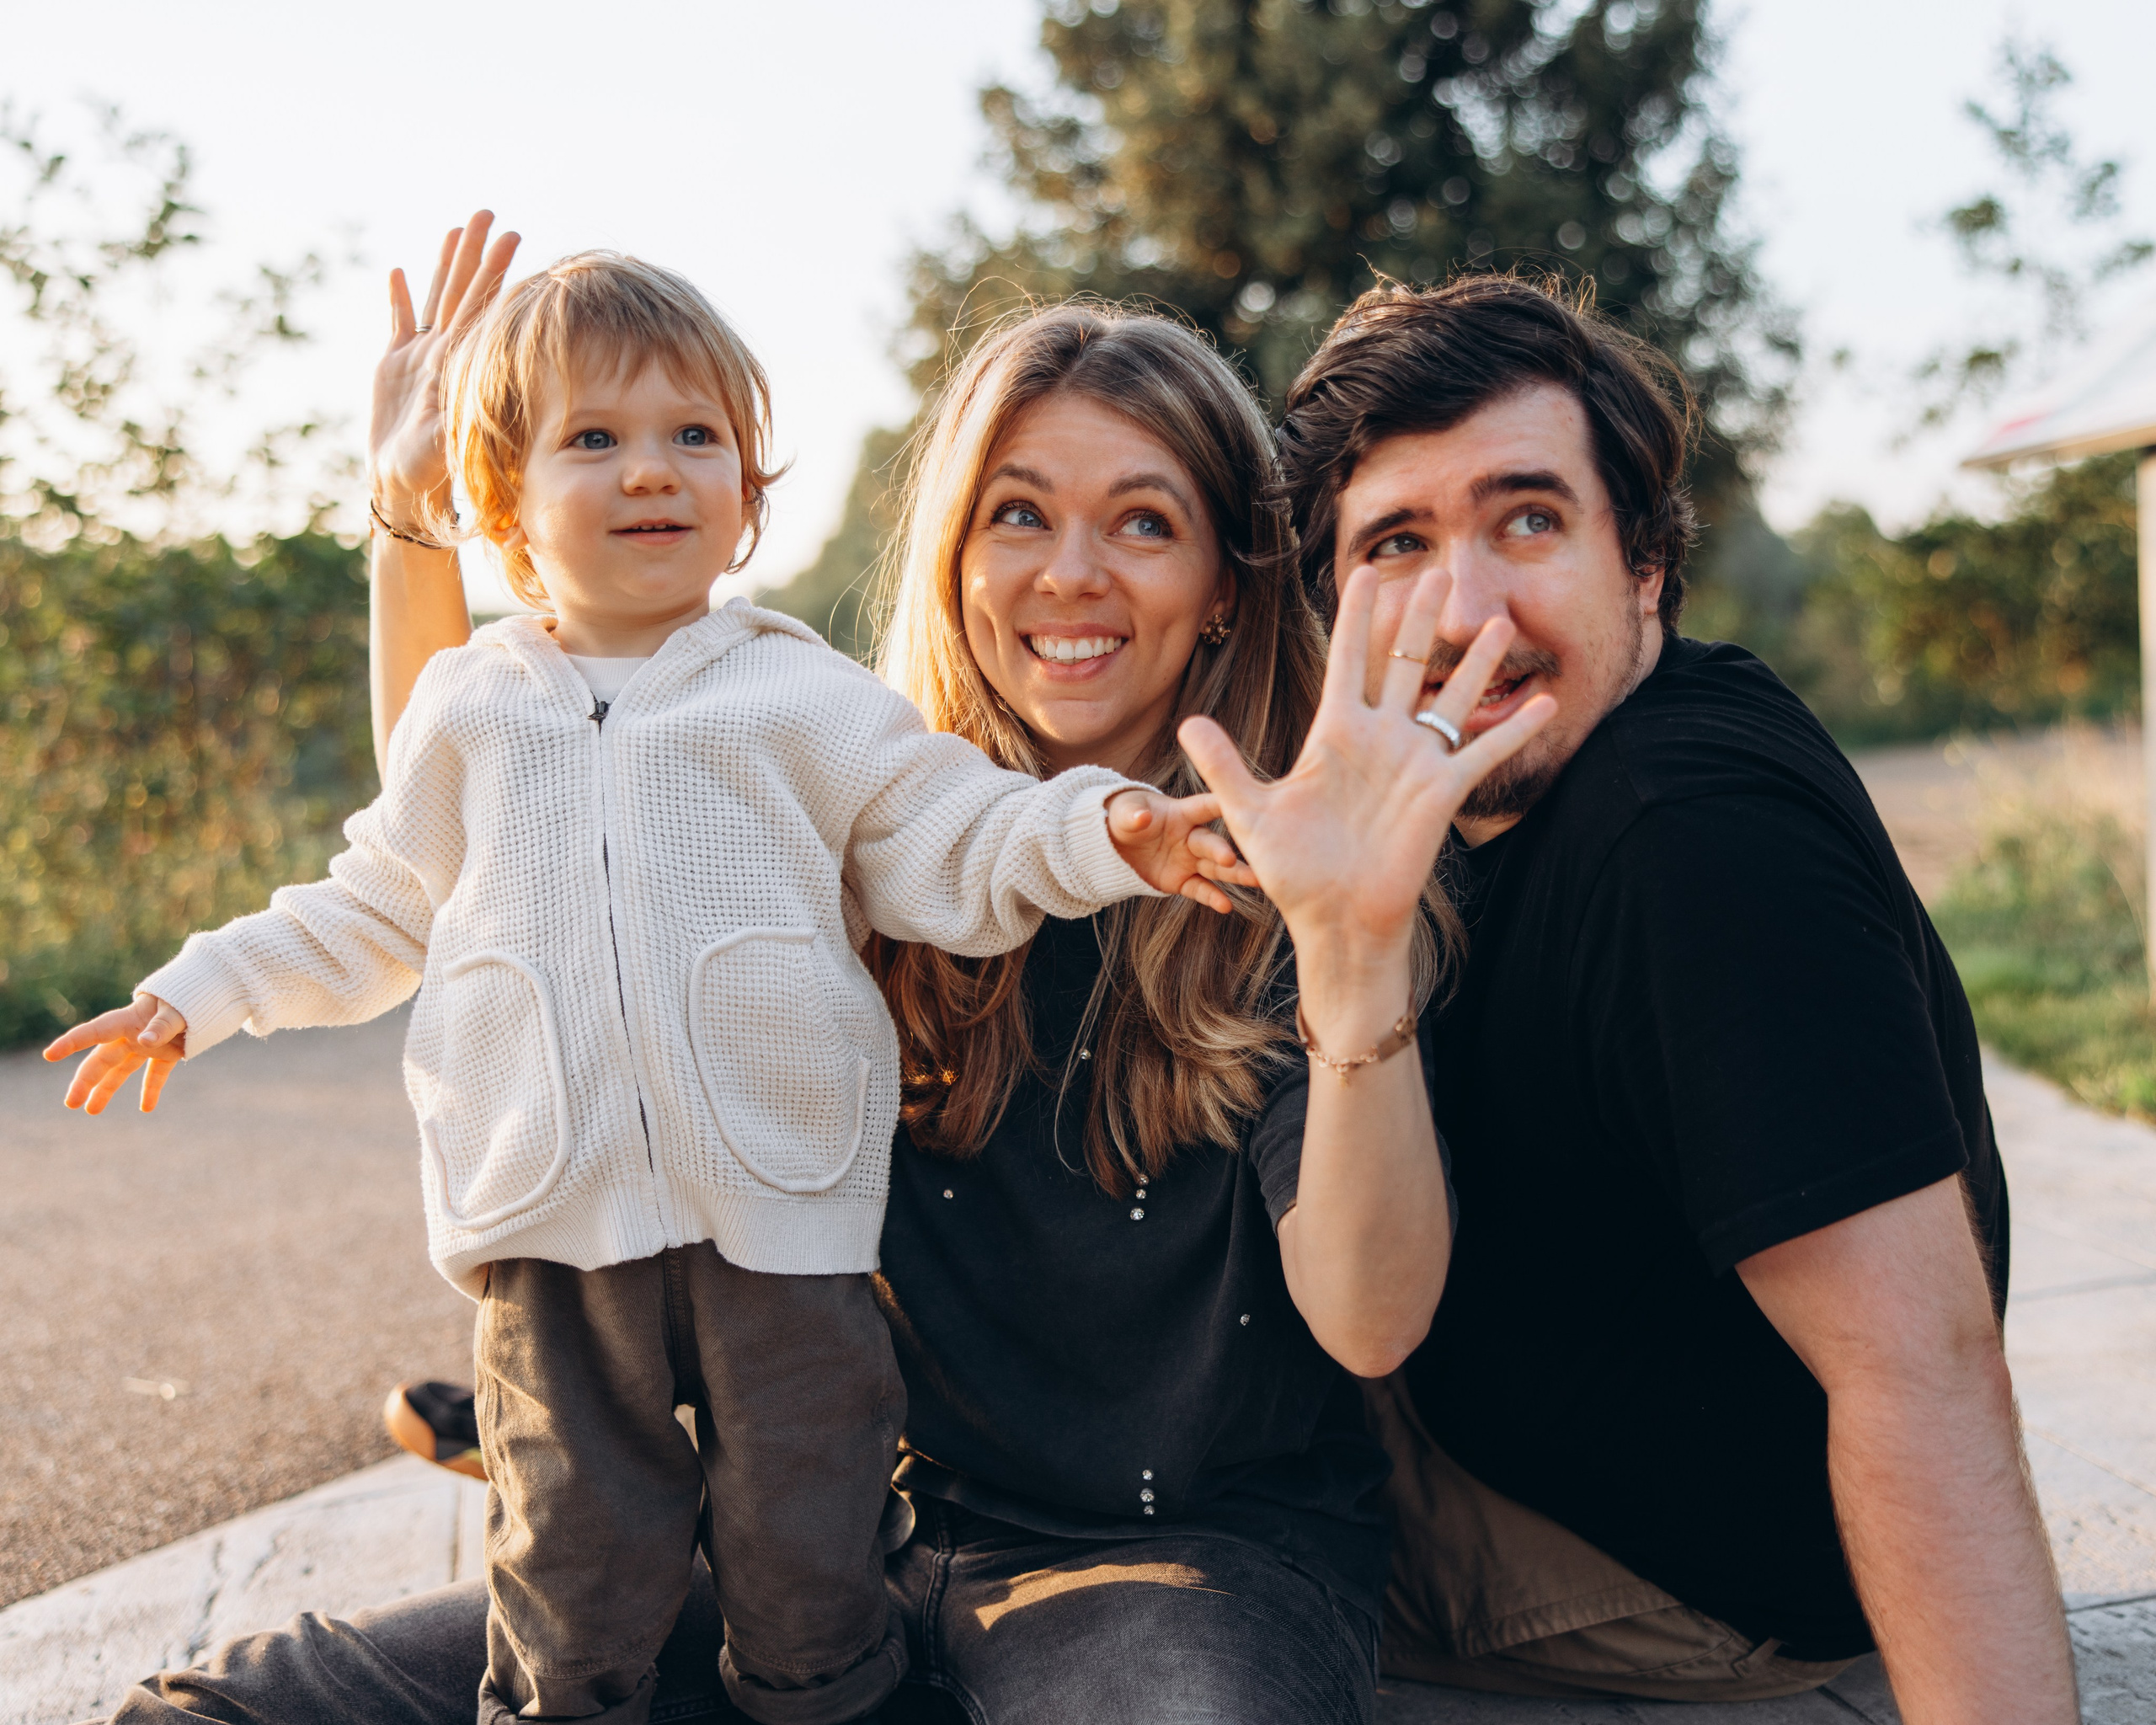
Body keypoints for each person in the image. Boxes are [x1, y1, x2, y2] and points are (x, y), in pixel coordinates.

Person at [86, 216, 1550, 1725]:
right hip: (843, 1538)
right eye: (1019, 515)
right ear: (957, 555)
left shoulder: (1294, 867)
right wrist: (412, 522)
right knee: (221, 1714)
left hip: (1161, 1571)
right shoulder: (816, 810)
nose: (1072, 575)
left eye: (1144, 522)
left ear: (1227, 579)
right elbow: (474, 817)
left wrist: (1352, 955)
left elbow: (1372, 1326)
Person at [1197, 271, 2076, 1723]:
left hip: (1658, 1573)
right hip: (1563, 1438)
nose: (1466, 607)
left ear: (1646, 564)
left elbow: (1919, 1363)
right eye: (1398, 543)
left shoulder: (1687, 834)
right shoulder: (1488, 792)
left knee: (1165, 1509)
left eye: (1527, 520)